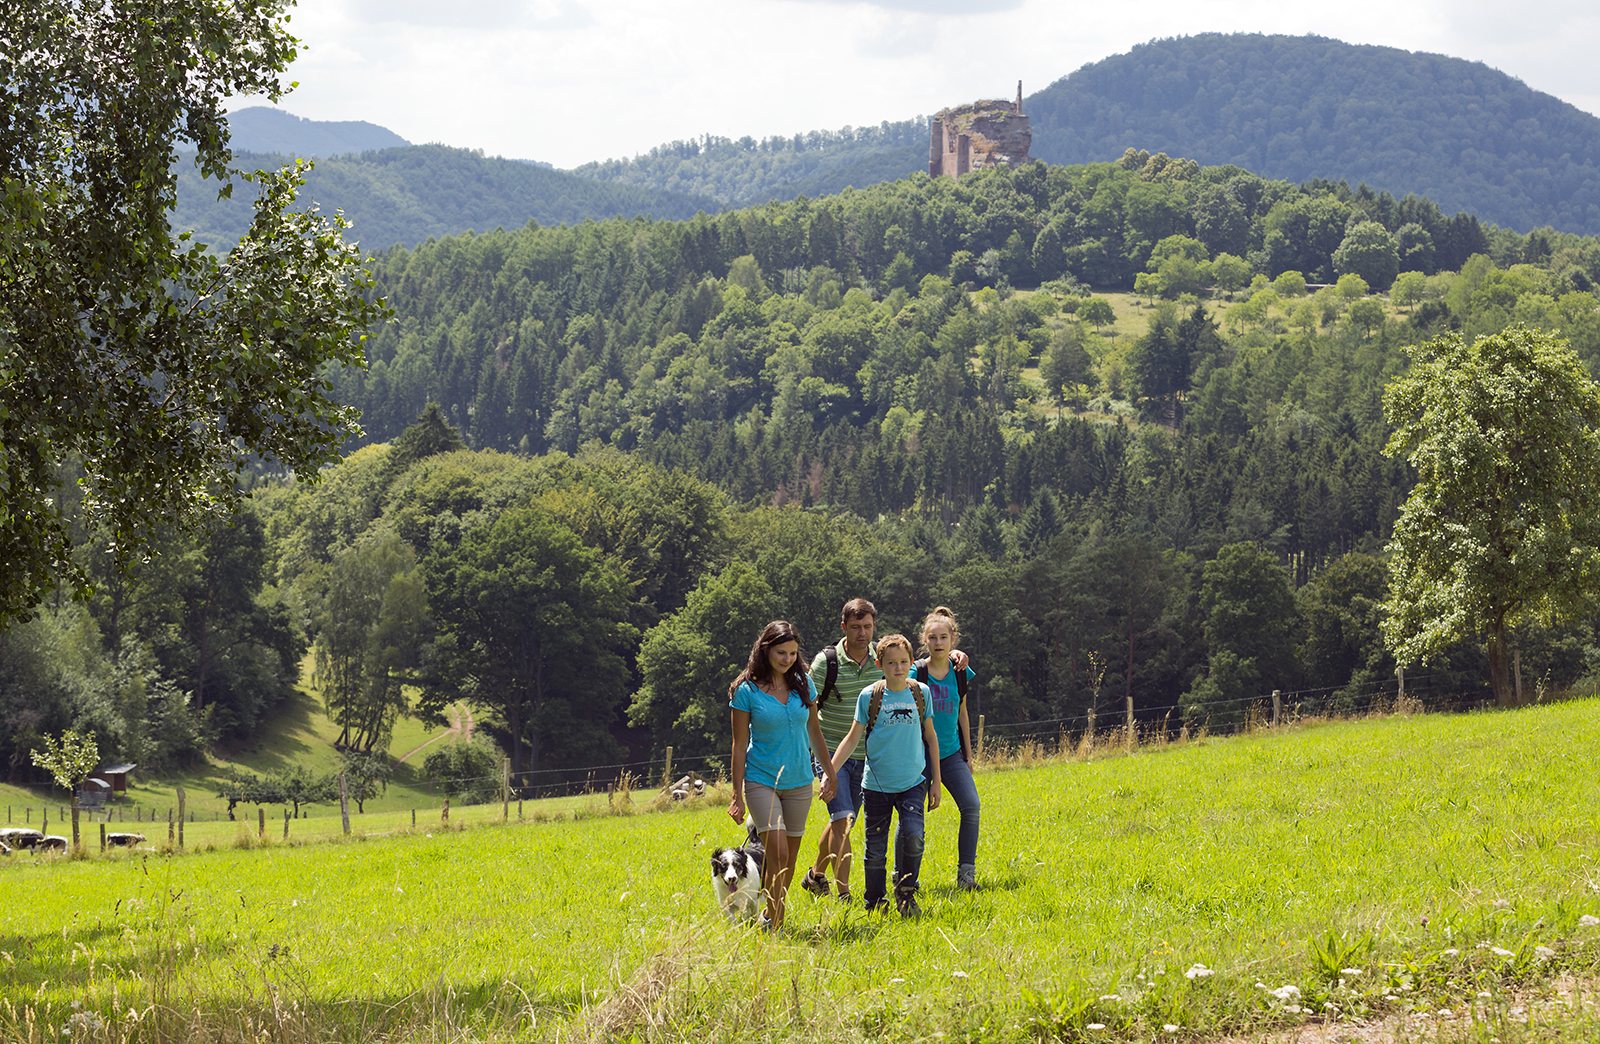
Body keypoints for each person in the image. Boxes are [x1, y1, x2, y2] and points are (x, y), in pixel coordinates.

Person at [727, 620, 838, 932]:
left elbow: (814, 731)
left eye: (792, 653)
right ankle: (776, 922)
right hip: (761, 779)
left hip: (800, 780)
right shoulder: (745, 690)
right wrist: (736, 795)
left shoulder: (803, 682)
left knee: (788, 860)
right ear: (766, 650)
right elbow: (738, 746)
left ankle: (767, 915)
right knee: (777, 850)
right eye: (781, 653)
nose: (787, 659)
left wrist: (829, 773)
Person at [828, 633, 941, 917]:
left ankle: (906, 892)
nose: (898, 668)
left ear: (912, 662)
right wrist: (831, 772)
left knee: (914, 836)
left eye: (904, 662)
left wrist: (936, 781)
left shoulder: (921, 693)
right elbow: (852, 738)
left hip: (913, 783)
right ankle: (875, 901)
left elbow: (931, 736)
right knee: (875, 849)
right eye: (891, 663)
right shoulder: (870, 696)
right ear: (880, 664)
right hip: (876, 786)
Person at [799, 597, 881, 904]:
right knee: (844, 820)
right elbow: (807, 705)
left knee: (839, 823)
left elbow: (913, 671)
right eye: (856, 627)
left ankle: (815, 876)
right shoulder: (826, 662)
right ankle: (844, 894)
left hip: (868, 757)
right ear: (844, 627)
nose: (863, 633)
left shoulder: (881, 659)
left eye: (868, 627)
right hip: (832, 754)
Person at [916, 606, 981, 890]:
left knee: (971, 806)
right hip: (918, 757)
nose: (939, 643)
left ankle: (966, 876)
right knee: (912, 818)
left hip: (951, 754)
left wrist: (968, 755)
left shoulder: (960, 673)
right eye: (933, 638)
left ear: (953, 639)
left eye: (944, 637)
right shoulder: (915, 672)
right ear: (925, 640)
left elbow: (962, 713)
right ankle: (904, 880)